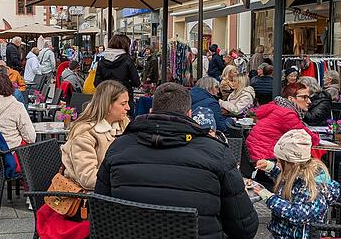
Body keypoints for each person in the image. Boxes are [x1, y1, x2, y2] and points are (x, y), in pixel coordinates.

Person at [96, 82, 259, 238]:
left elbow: (100, 212)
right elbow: (244, 229)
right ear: (189, 114)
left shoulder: (119, 147)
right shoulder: (217, 152)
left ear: (151, 111)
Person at [253, 130, 340, 239]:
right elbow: (287, 180)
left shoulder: (313, 189)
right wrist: (270, 167)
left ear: (293, 164)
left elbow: (297, 214)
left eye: (280, 162)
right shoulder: (297, 172)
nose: (277, 163)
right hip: (281, 232)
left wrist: (270, 198)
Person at [60, 80, 130, 191]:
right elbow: (88, 179)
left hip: (113, 191)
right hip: (89, 199)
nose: (128, 108)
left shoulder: (124, 126)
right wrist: (127, 178)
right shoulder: (85, 133)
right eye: (123, 104)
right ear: (108, 105)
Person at [246, 82, 320, 163]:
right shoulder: (286, 114)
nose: (309, 101)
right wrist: (317, 137)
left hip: (256, 154)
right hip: (265, 159)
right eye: (304, 97)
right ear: (291, 99)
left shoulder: (277, 107)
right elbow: (308, 139)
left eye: (308, 97)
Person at [94, 34, 140, 114]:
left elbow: (97, 83)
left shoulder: (102, 61)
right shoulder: (127, 60)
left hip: (106, 98)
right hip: (123, 98)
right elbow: (136, 82)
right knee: (124, 123)